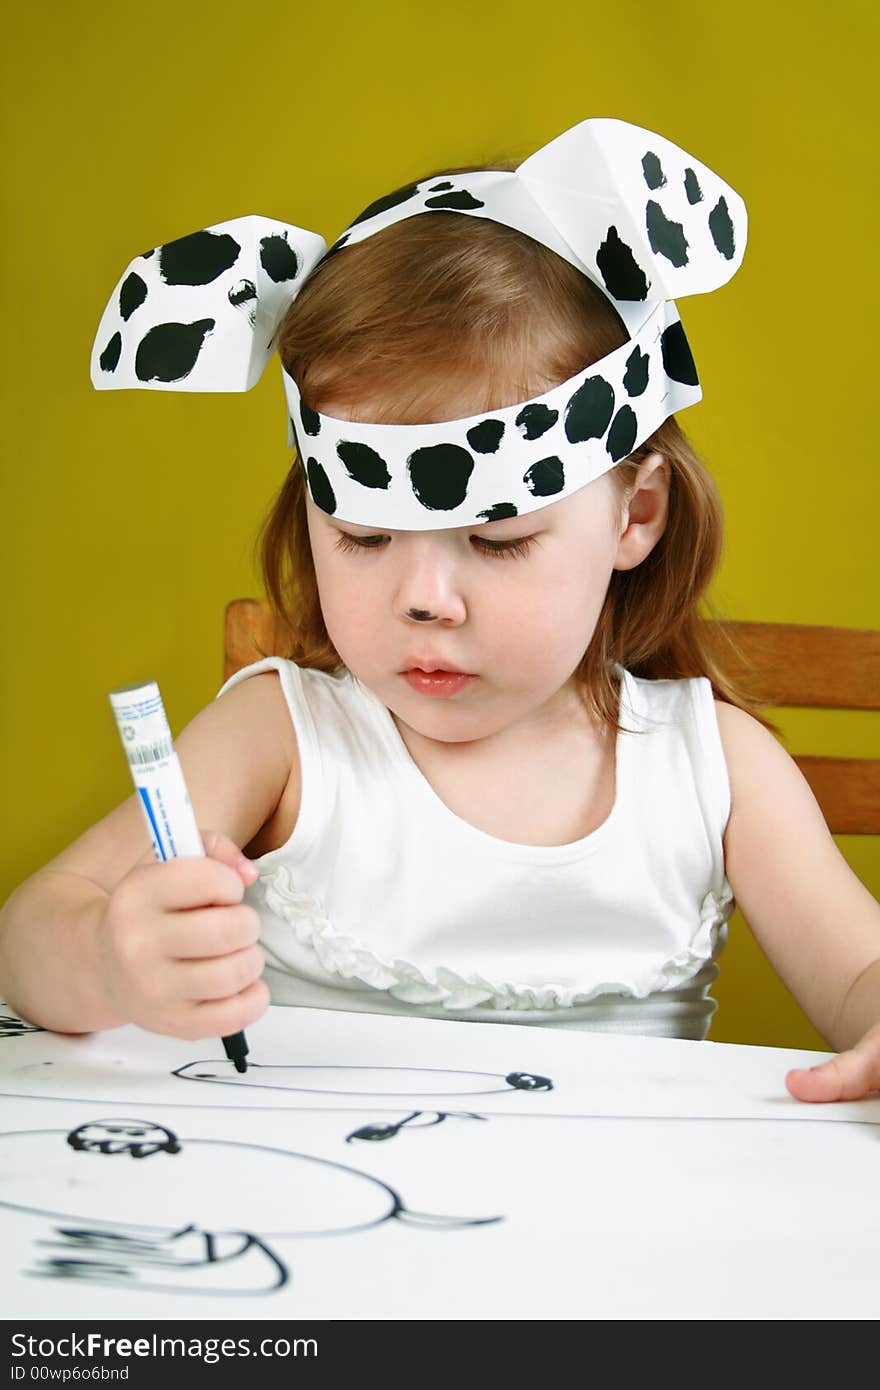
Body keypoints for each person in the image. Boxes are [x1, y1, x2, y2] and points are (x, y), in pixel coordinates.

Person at [1, 118, 878, 1103]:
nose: (422, 598)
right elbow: (29, 932)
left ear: (633, 515)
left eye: (498, 541)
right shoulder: (280, 736)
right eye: (364, 537)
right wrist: (112, 961)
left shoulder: (711, 768)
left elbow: (857, 972)